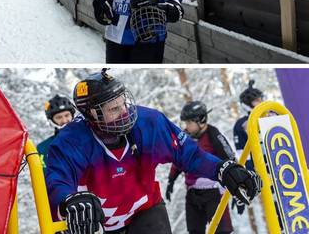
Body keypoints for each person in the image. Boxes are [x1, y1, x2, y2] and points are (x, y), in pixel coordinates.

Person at [45, 69, 262, 234]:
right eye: (114, 109)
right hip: (96, 222)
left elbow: (190, 155)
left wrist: (223, 169)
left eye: (124, 104)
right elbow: (57, 182)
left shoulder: (149, 123)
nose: (125, 112)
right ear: (91, 113)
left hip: (145, 211)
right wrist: (70, 201)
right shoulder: (70, 142)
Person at [166, 101, 234, 234]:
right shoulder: (185, 137)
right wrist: (171, 180)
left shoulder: (214, 134)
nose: (186, 126)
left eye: (189, 123)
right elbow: (178, 159)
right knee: (194, 230)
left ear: (201, 120)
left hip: (213, 193)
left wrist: (236, 187)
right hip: (192, 194)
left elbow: (230, 159)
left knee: (221, 230)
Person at [232, 79, 264, 215]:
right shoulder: (241, 125)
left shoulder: (275, 114)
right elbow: (242, 155)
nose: (260, 102)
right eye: (256, 100)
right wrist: (245, 180)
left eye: (261, 99)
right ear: (247, 104)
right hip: (260, 169)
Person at [37, 94, 76, 168]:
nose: (64, 120)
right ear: (52, 121)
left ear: (72, 116)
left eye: (67, 115)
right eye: (59, 117)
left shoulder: (90, 138)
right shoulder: (43, 148)